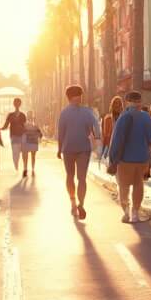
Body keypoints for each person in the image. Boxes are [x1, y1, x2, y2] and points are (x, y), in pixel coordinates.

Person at [108, 90, 151, 224]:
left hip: (125, 160)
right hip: (142, 159)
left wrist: (112, 159)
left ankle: (126, 212)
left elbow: (116, 140)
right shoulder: (146, 117)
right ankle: (135, 213)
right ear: (140, 102)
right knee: (138, 185)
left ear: (127, 102)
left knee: (123, 186)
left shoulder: (123, 117)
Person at [57, 84, 101, 220]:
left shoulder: (64, 113)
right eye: (79, 95)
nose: (80, 98)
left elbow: (61, 133)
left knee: (70, 176)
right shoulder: (87, 111)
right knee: (81, 178)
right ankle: (79, 204)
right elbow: (96, 127)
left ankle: (74, 203)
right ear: (75, 97)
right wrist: (97, 138)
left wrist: (59, 149)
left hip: (69, 149)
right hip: (83, 149)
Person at [1, 97, 28, 179]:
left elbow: (25, 126)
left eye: (18, 103)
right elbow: (6, 125)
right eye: (15, 103)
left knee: (24, 152)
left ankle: (25, 168)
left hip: (23, 135)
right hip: (14, 136)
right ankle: (16, 164)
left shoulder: (23, 115)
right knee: (15, 154)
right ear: (14, 104)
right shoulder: (10, 115)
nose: (17, 104)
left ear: (20, 104)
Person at [101, 95, 123, 161]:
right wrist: (103, 149)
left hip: (122, 148)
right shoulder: (107, 118)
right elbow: (105, 135)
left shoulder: (124, 118)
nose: (117, 105)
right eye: (115, 103)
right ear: (112, 105)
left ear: (121, 106)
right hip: (110, 147)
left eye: (119, 103)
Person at [22, 110, 41, 176]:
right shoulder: (24, 123)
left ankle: (32, 169)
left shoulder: (35, 123)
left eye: (31, 114)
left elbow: (39, 132)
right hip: (26, 141)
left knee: (33, 156)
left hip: (33, 141)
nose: (30, 116)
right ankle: (25, 168)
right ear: (27, 115)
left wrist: (40, 135)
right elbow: (22, 131)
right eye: (28, 114)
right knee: (26, 156)